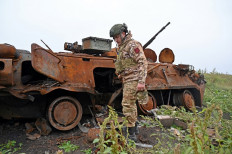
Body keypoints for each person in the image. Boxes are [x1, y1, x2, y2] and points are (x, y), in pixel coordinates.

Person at [109, 23, 148, 141]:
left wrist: (141, 82)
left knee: (127, 105)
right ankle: (133, 128)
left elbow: (143, 62)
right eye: (114, 38)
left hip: (134, 79)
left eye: (117, 37)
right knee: (131, 105)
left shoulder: (132, 45)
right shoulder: (122, 47)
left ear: (123, 34)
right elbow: (127, 64)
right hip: (127, 79)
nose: (116, 40)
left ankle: (131, 135)